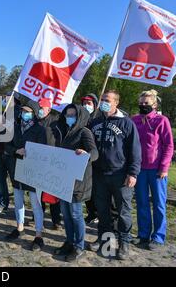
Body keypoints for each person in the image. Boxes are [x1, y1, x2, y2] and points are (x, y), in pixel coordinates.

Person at [89, 90, 142, 260]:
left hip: (120, 175)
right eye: (102, 99)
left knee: (123, 211)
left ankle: (124, 242)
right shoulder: (95, 121)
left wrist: (133, 173)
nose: (103, 102)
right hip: (99, 174)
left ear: (116, 103)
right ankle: (105, 240)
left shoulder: (126, 123)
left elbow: (135, 151)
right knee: (102, 210)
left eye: (107, 100)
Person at [50, 104, 98, 262]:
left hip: (78, 182)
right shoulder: (64, 131)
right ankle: (69, 241)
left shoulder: (84, 132)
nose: (68, 117)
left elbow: (94, 152)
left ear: (80, 117)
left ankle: (79, 246)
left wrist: (86, 155)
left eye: (72, 115)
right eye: (67, 114)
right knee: (66, 214)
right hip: (64, 180)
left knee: (76, 214)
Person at [132, 90, 174, 250]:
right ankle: (143, 234)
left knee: (159, 204)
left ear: (154, 105)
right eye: (141, 103)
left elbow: (169, 145)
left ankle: (158, 237)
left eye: (146, 103)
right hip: (139, 169)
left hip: (157, 170)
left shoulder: (162, 120)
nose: (143, 105)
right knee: (142, 202)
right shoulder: (134, 120)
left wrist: (164, 167)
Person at [4, 101, 47, 250]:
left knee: (36, 204)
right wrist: (16, 151)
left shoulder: (40, 129)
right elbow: (6, 147)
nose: (24, 113)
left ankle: (38, 235)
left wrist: (31, 153)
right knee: (18, 201)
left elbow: (43, 150)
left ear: (34, 113)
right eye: (23, 111)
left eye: (27, 111)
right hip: (16, 169)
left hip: (33, 172)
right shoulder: (15, 128)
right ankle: (19, 227)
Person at [0, 92, 22, 214]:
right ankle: (3, 202)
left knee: (15, 180)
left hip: (12, 153)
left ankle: (19, 205)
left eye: (8, 98)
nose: (5, 100)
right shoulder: (1, 112)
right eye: (5, 98)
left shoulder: (20, 113)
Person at [36, 97, 62, 229]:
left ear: (49, 109)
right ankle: (38, 216)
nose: (39, 110)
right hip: (37, 161)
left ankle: (56, 220)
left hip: (52, 161)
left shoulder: (56, 122)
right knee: (38, 193)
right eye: (38, 107)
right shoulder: (35, 121)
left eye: (42, 108)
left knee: (52, 192)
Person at [81, 93, 101, 224]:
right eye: (84, 103)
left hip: (97, 159)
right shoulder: (82, 119)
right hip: (83, 158)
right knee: (87, 188)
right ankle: (91, 212)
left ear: (95, 104)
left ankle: (98, 212)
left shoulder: (98, 120)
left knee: (96, 189)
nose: (86, 106)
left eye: (89, 103)